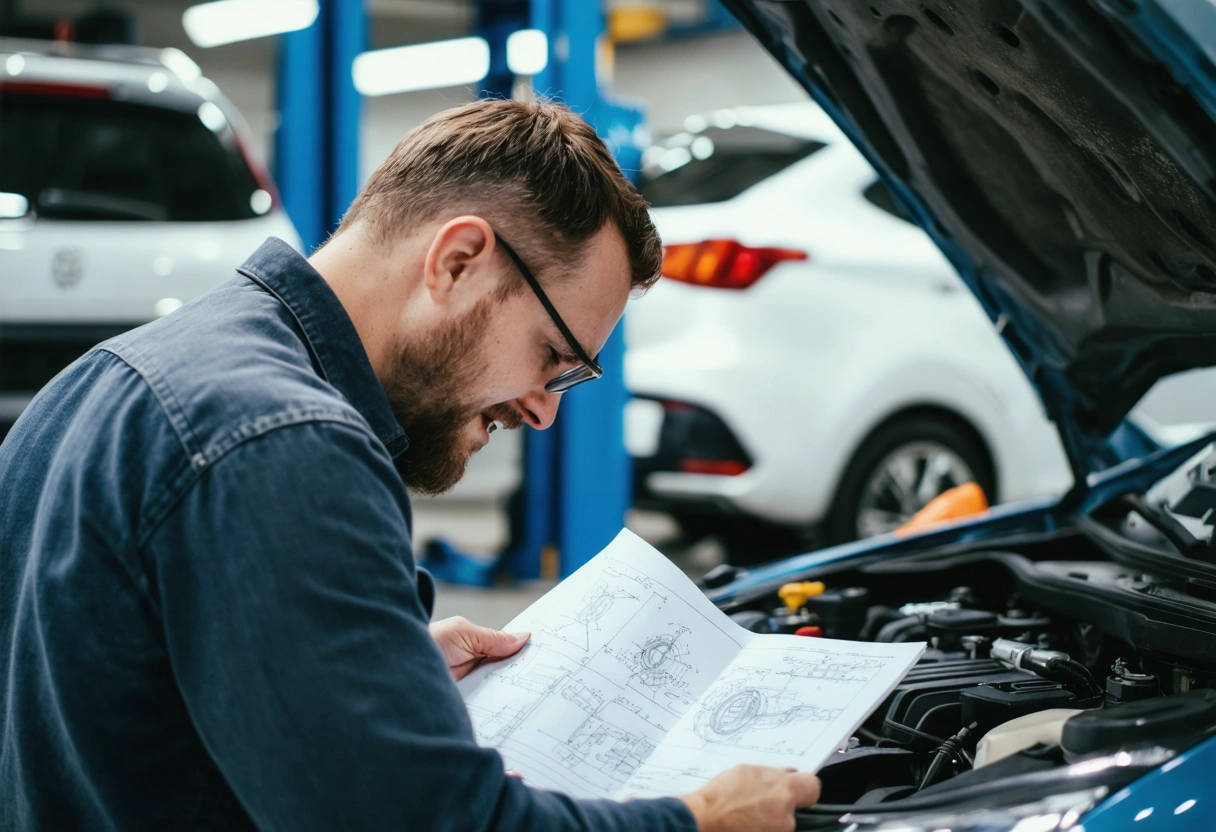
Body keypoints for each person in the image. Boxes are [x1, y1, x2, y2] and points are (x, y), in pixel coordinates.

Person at [0, 98, 820, 831]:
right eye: (554, 356)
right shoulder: (286, 444)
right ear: (458, 260)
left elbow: (111, 701)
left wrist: (360, 665)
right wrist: (702, 819)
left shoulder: (106, 379)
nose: (542, 409)